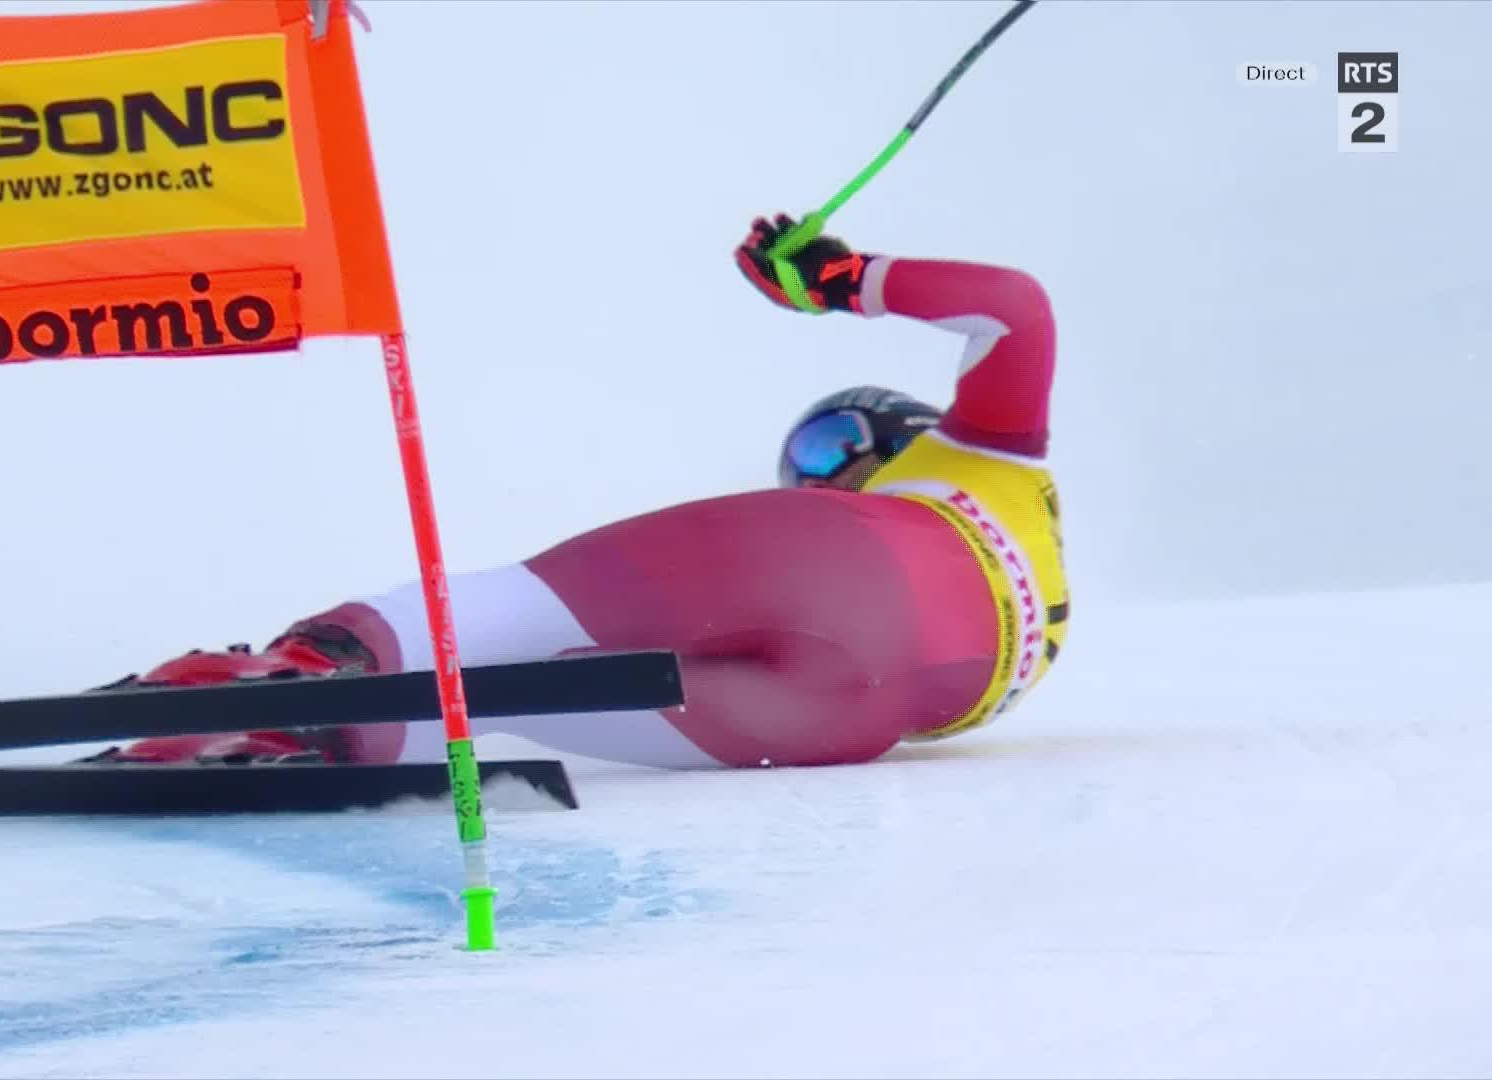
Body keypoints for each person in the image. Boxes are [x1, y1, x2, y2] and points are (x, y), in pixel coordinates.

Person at [92, 215, 1072, 770]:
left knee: (510, 609)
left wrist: (846, 280)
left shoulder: (985, 454)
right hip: (849, 713)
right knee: (501, 697)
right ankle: (311, 740)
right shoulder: (1021, 521)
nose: (820, 471)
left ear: (907, 431)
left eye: (835, 445)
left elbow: (1016, 309)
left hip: (830, 572)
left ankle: (290, 675)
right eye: (807, 461)